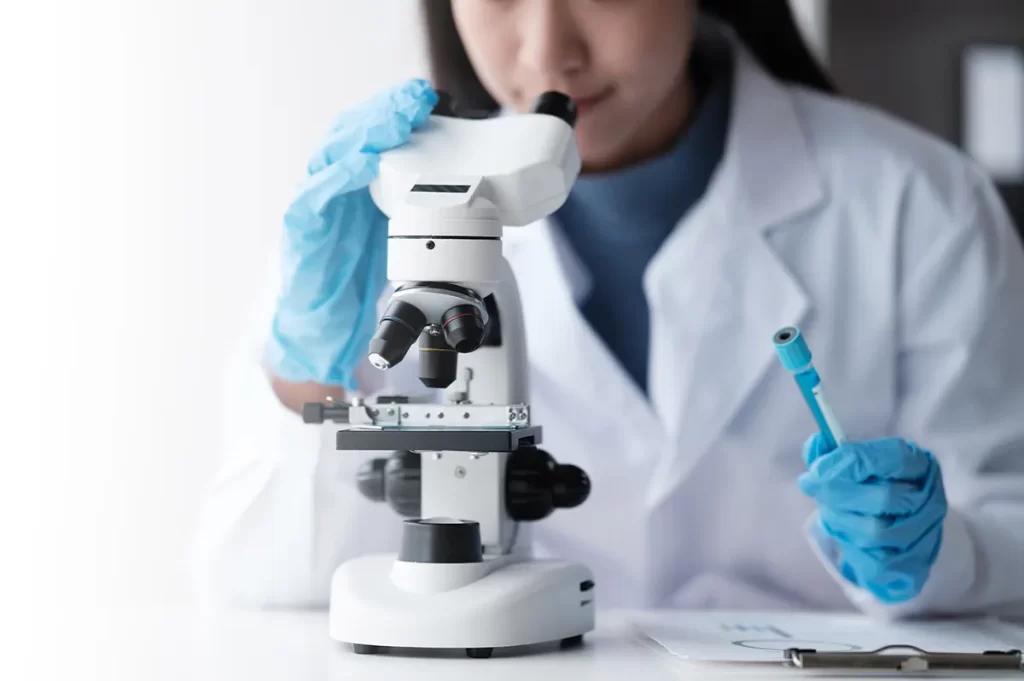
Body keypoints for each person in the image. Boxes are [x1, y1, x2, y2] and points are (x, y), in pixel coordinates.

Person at [192, 0, 1024, 618]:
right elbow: (261, 584)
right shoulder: (380, 203)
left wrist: (935, 551)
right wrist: (307, 371)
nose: (548, 51)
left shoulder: (918, 204)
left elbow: (1009, 528)